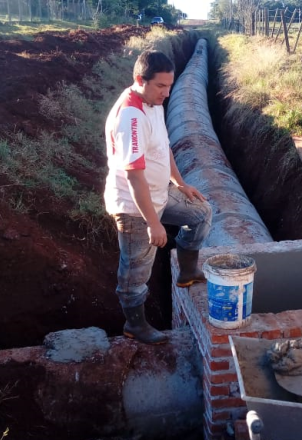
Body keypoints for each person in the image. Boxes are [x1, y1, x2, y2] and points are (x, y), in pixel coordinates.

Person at [104, 50, 212, 345]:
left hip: (160, 193)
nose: (166, 93)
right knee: (136, 271)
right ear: (140, 80)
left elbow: (163, 148)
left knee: (201, 212)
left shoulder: (154, 104)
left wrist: (181, 183)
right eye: (160, 86)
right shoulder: (131, 116)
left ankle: (188, 272)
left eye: (169, 86)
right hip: (135, 208)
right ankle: (134, 325)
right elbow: (134, 176)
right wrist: (154, 223)